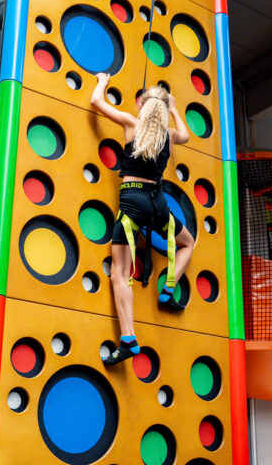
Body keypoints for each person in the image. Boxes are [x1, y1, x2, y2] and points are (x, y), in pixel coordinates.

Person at [90, 73, 194, 365]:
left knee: (120, 274)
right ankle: (169, 288)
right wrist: (174, 108)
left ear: (142, 107)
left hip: (132, 201)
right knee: (187, 243)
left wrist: (103, 80)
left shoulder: (130, 124)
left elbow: (96, 101)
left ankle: (128, 339)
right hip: (156, 203)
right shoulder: (169, 136)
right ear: (163, 112)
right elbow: (185, 135)